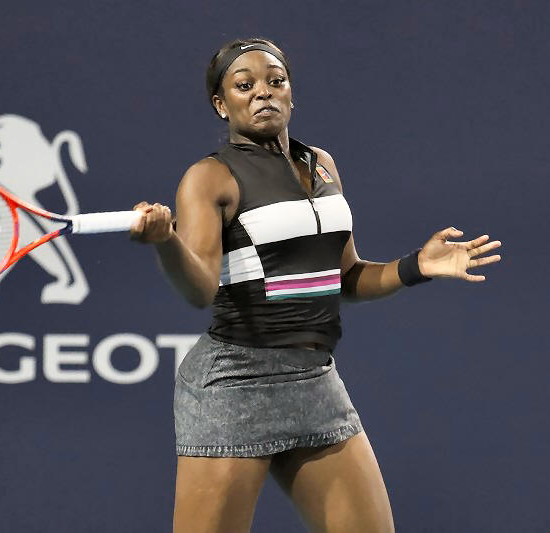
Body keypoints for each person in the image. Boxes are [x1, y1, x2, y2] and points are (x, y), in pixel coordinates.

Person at [130, 38, 502, 533]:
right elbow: (199, 289)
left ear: (290, 92)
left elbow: (345, 277)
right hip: (236, 385)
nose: (263, 92)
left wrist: (416, 266)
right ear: (222, 104)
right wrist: (166, 242)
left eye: (275, 81)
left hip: (314, 380)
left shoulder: (321, 164)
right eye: (244, 85)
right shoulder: (209, 178)